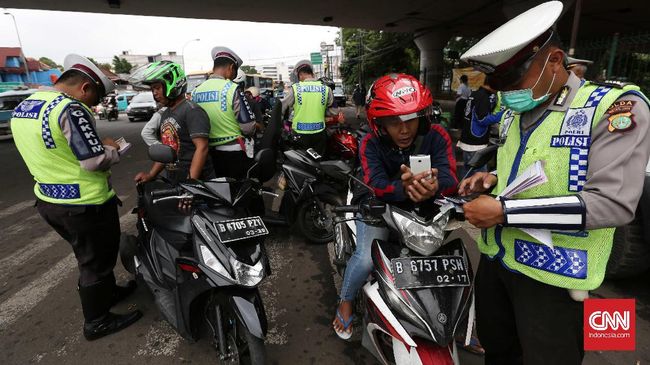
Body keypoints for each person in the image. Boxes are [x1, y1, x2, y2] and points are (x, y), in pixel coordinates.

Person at [458, 2, 650, 364]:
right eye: (500, 84)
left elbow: (613, 203)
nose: (507, 92)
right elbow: (536, 167)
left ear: (555, 60)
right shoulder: (519, 110)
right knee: (498, 353)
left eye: (514, 80)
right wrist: (493, 179)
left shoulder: (613, 107)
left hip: (557, 280)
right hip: (498, 262)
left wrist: (503, 211)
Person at [10, 54, 142, 341]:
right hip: (85, 205)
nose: (93, 104)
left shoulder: (26, 106)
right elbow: (93, 161)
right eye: (95, 96)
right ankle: (97, 321)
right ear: (84, 87)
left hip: (49, 200)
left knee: (91, 256)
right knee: (94, 262)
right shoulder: (70, 109)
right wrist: (113, 149)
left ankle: (108, 294)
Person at [332, 73, 458, 339]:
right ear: (379, 123)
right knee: (366, 259)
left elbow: (451, 177)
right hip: (376, 204)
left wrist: (435, 186)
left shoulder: (437, 136)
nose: (404, 130)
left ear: (422, 117)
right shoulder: (369, 142)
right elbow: (375, 184)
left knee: (447, 263)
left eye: (410, 119)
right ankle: (345, 300)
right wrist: (405, 188)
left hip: (423, 208)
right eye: (393, 121)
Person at [132, 61, 214, 184]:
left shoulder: (192, 110)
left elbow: (202, 148)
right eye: (152, 89)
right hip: (175, 179)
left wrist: (191, 184)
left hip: (197, 181)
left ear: (173, 85)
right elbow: (168, 149)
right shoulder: (166, 113)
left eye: (157, 88)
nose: (154, 93)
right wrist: (151, 174)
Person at [192, 46, 256, 179]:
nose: (233, 76)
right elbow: (248, 127)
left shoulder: (195, 91)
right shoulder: (232, 89)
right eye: (234, 72)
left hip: (205, 155)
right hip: (233, 155)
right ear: (231, 67)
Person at [280, 59, 342, 155]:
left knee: (302, 165)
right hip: (319, 134)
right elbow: (334, 112)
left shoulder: (295, 89)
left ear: (300, 74)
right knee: (318, 162)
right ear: (312, 73)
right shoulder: (326, 89)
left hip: (300, 134)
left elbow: (282, 108)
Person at [457, 80, 503, 177]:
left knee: (466, 174)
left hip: (466, 139)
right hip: (476, 142)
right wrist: (502, 115)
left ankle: (461, 191)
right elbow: (483, 119)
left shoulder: (474, 94)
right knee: (478, 177)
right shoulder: (484, 97)